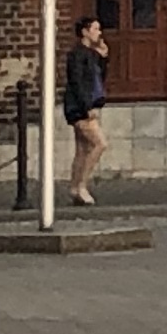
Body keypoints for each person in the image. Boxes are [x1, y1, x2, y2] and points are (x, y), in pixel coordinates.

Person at [59, 11, 108, 206]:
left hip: (85, 104)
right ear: (85, 32)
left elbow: (98, 79)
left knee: (82, 148)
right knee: (99, 144)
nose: (99, 32)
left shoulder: (91, 54)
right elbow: (77, 82)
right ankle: (82, 185)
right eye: (95, 29)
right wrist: (87, 106)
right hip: (79, 107)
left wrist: (104, 58)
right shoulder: (77, 55)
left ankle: (74, 187)